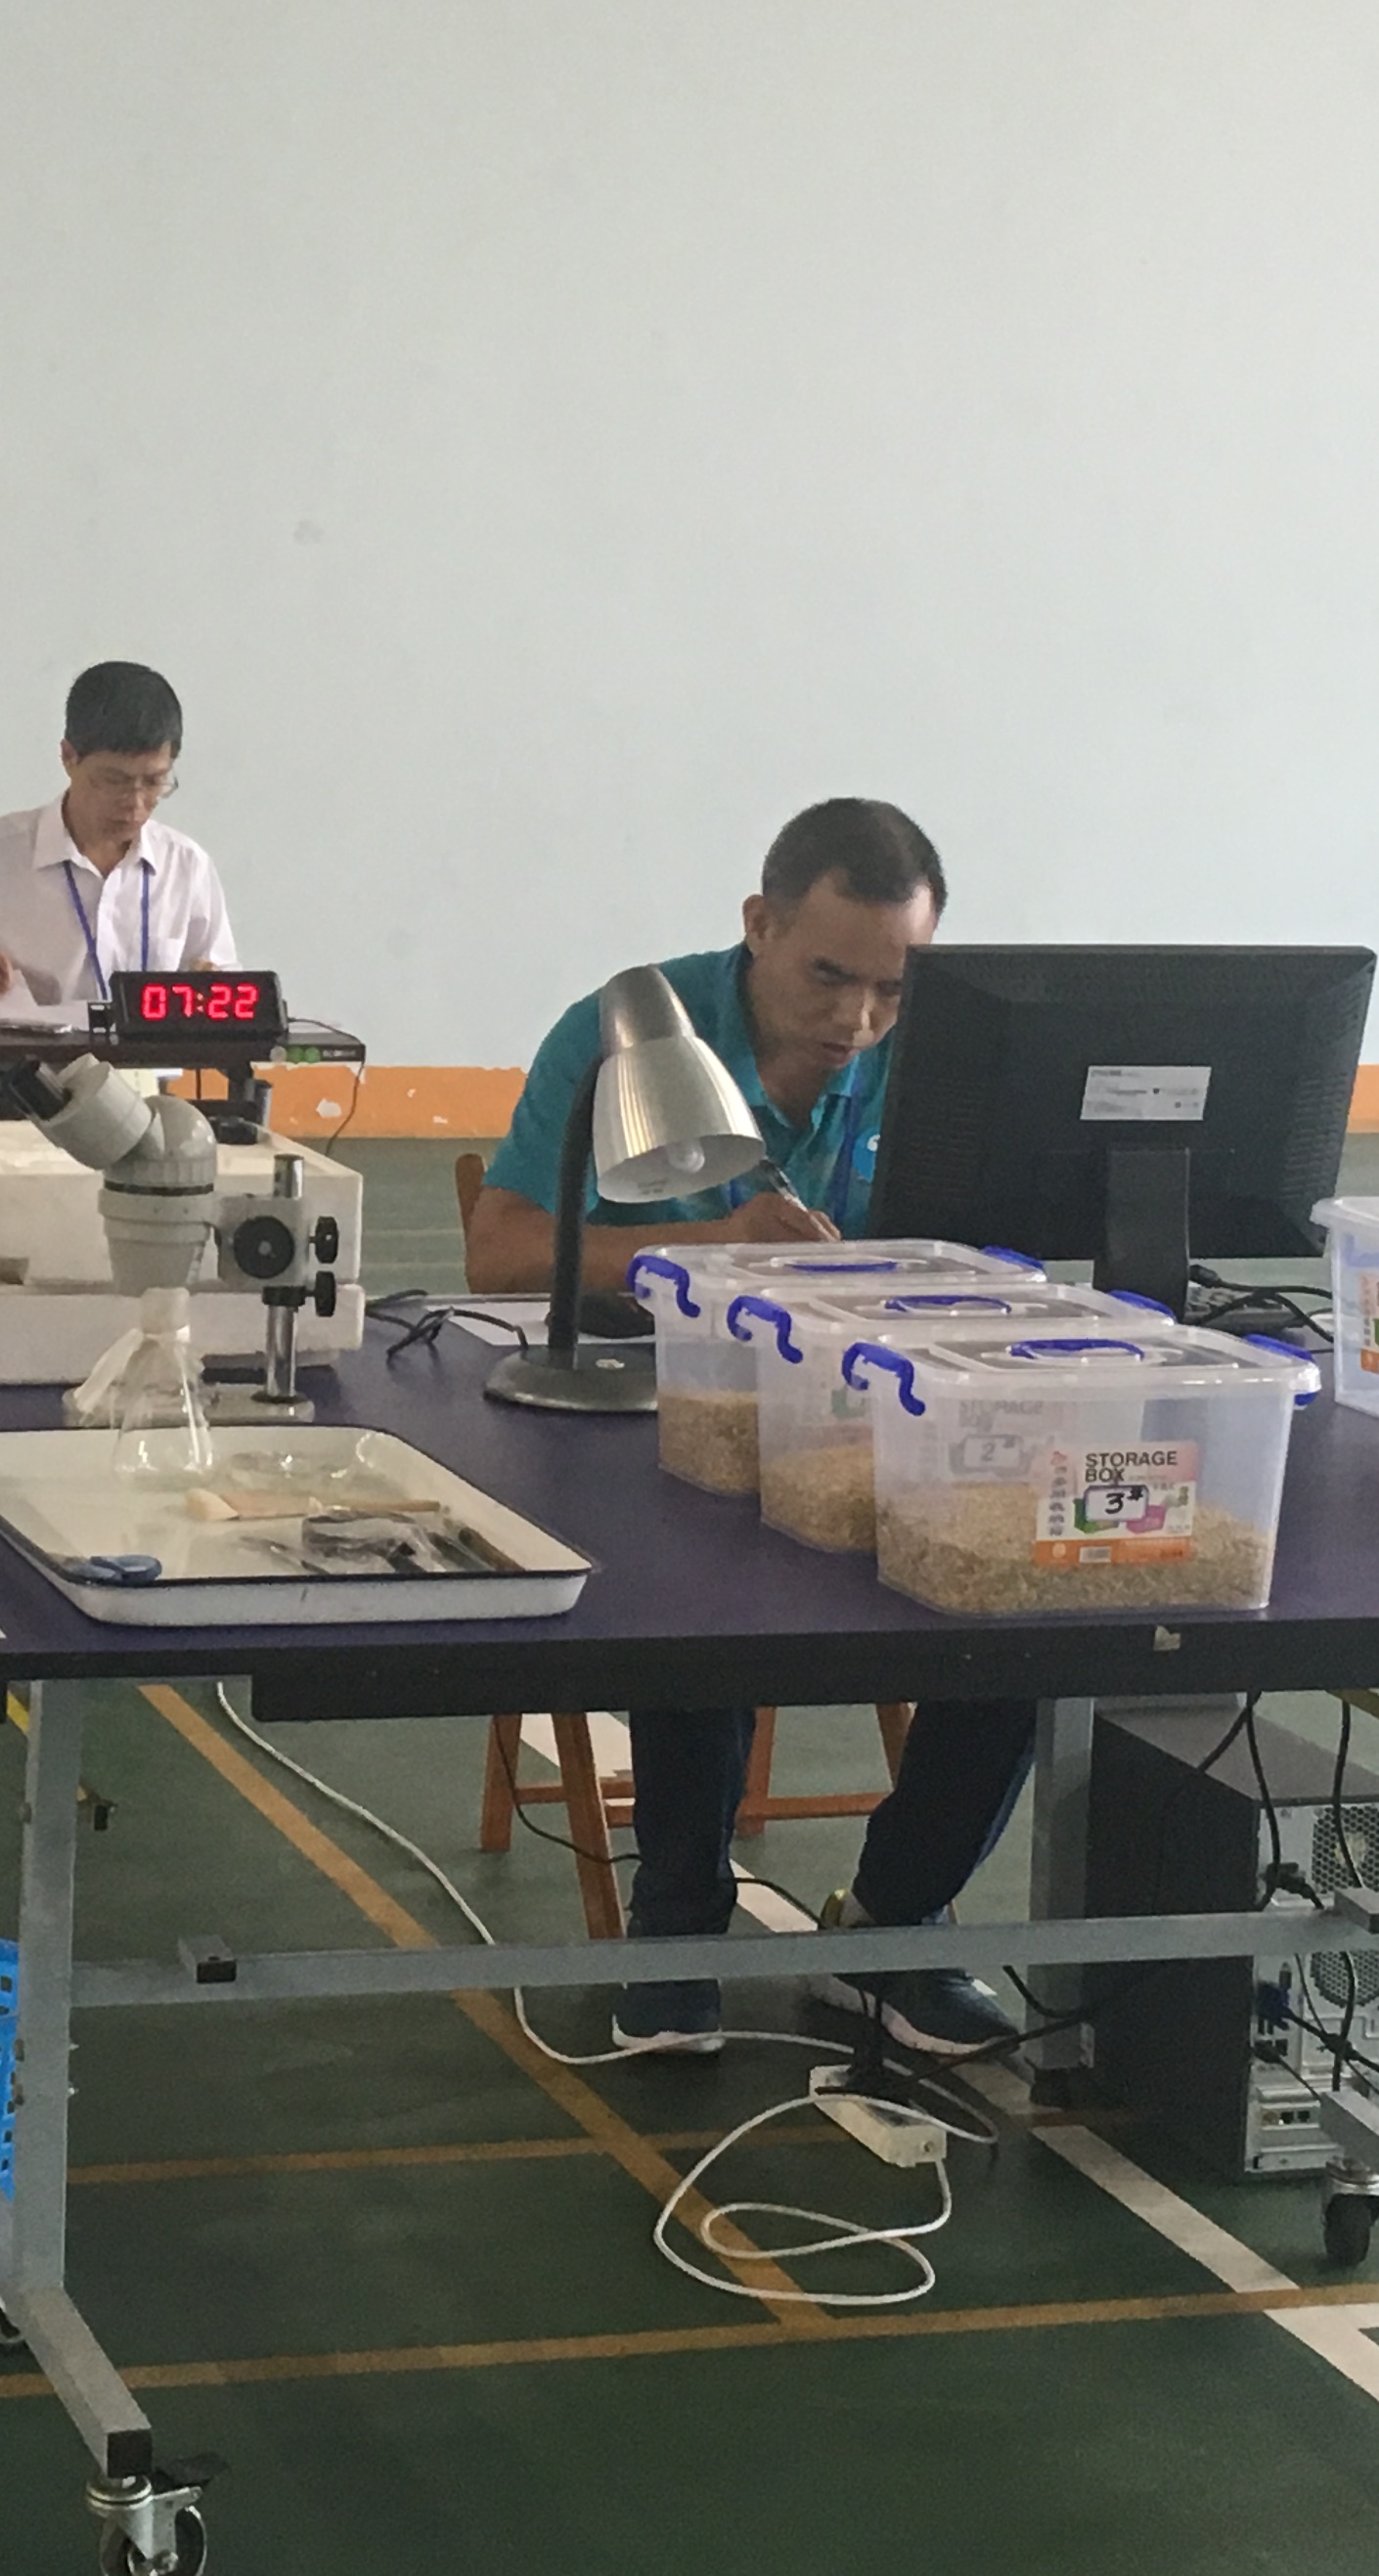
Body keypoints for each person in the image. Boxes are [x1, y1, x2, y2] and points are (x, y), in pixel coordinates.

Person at [464, 797, 1032, 2061]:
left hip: (885, 1410)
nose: (859, 1020)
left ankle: (892, 1925)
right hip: (667, 1404)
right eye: (830, 977)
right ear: (759, 925)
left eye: (893, 988)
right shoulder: (629, 1038)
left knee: (1031, 1583)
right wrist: (710, 1247)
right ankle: (678, 1928)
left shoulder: (945, 1052)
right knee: (700, 1570)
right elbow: (498, 1252)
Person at [0, 661, 237, 1006]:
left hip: (145, 1048)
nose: (135, 804)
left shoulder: (187, 866)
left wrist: (209, 987)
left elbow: (223, 986)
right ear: (69, 757)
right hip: (17, 1046)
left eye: (154, 781)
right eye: (114, 780)